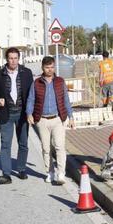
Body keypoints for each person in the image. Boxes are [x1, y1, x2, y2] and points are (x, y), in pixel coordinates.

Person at [26, 56, 74, 185]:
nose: (50, 70)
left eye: (52, 67)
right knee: (46, 148)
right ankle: (50, 172)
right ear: (42, 68)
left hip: (58, 119)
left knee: (59, 146)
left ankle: (61, 173)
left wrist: (71, 116)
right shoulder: (36, 83)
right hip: (42, 120)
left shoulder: (60, 82)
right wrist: (29, 113)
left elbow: (66, 100)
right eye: (47, 67)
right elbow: (31, 99)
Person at [0, 47, 34, 185]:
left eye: (15, 58)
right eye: (10, 58)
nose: (13, 61)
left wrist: (31, 112)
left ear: (18, 59)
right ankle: (6, 174)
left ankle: (21, 169)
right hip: (6, 114)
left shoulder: (27, 73)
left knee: (23, 144)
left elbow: (32, 94)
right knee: (5, 144)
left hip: (22, 114)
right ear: (6, 59)